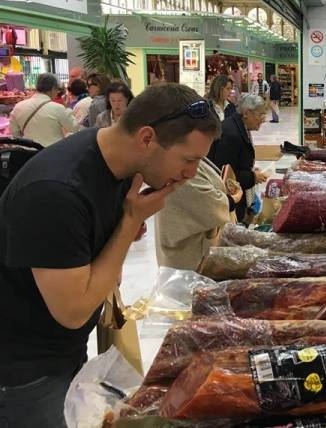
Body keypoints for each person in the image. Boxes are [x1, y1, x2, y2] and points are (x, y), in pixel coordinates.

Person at [0, 83, 221, 427]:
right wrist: (129, 221)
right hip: (23, 369)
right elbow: (73, 311)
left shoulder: (116, 166)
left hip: (62, 351)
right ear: (147, 138)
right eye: (188, 159)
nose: (191, 174)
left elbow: (102, 273)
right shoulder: (55, 192)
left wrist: (121, 228)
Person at [155, 157, 242, 270]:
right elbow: (207, 204)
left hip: (193, 246)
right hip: (187, 256)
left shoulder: (190, 156)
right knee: (187, 285)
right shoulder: (180, 165)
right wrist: (232, 199)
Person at [209, 94, 269, 222]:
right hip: (229, 203)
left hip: (237, 197)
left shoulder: (239, 127)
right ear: (247, 113)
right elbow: (225, 174)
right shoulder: (231, 133)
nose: (263, 120)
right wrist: (253, 177)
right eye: (260, 115)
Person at [9, 73, 79, 147]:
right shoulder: (58, 108)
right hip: (52, 153)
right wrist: (67, 108)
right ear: (52, 88)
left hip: (28, 154)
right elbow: (74, 128)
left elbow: (14, 133)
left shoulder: (18, 106)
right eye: (57, 89)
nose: (57, 93)